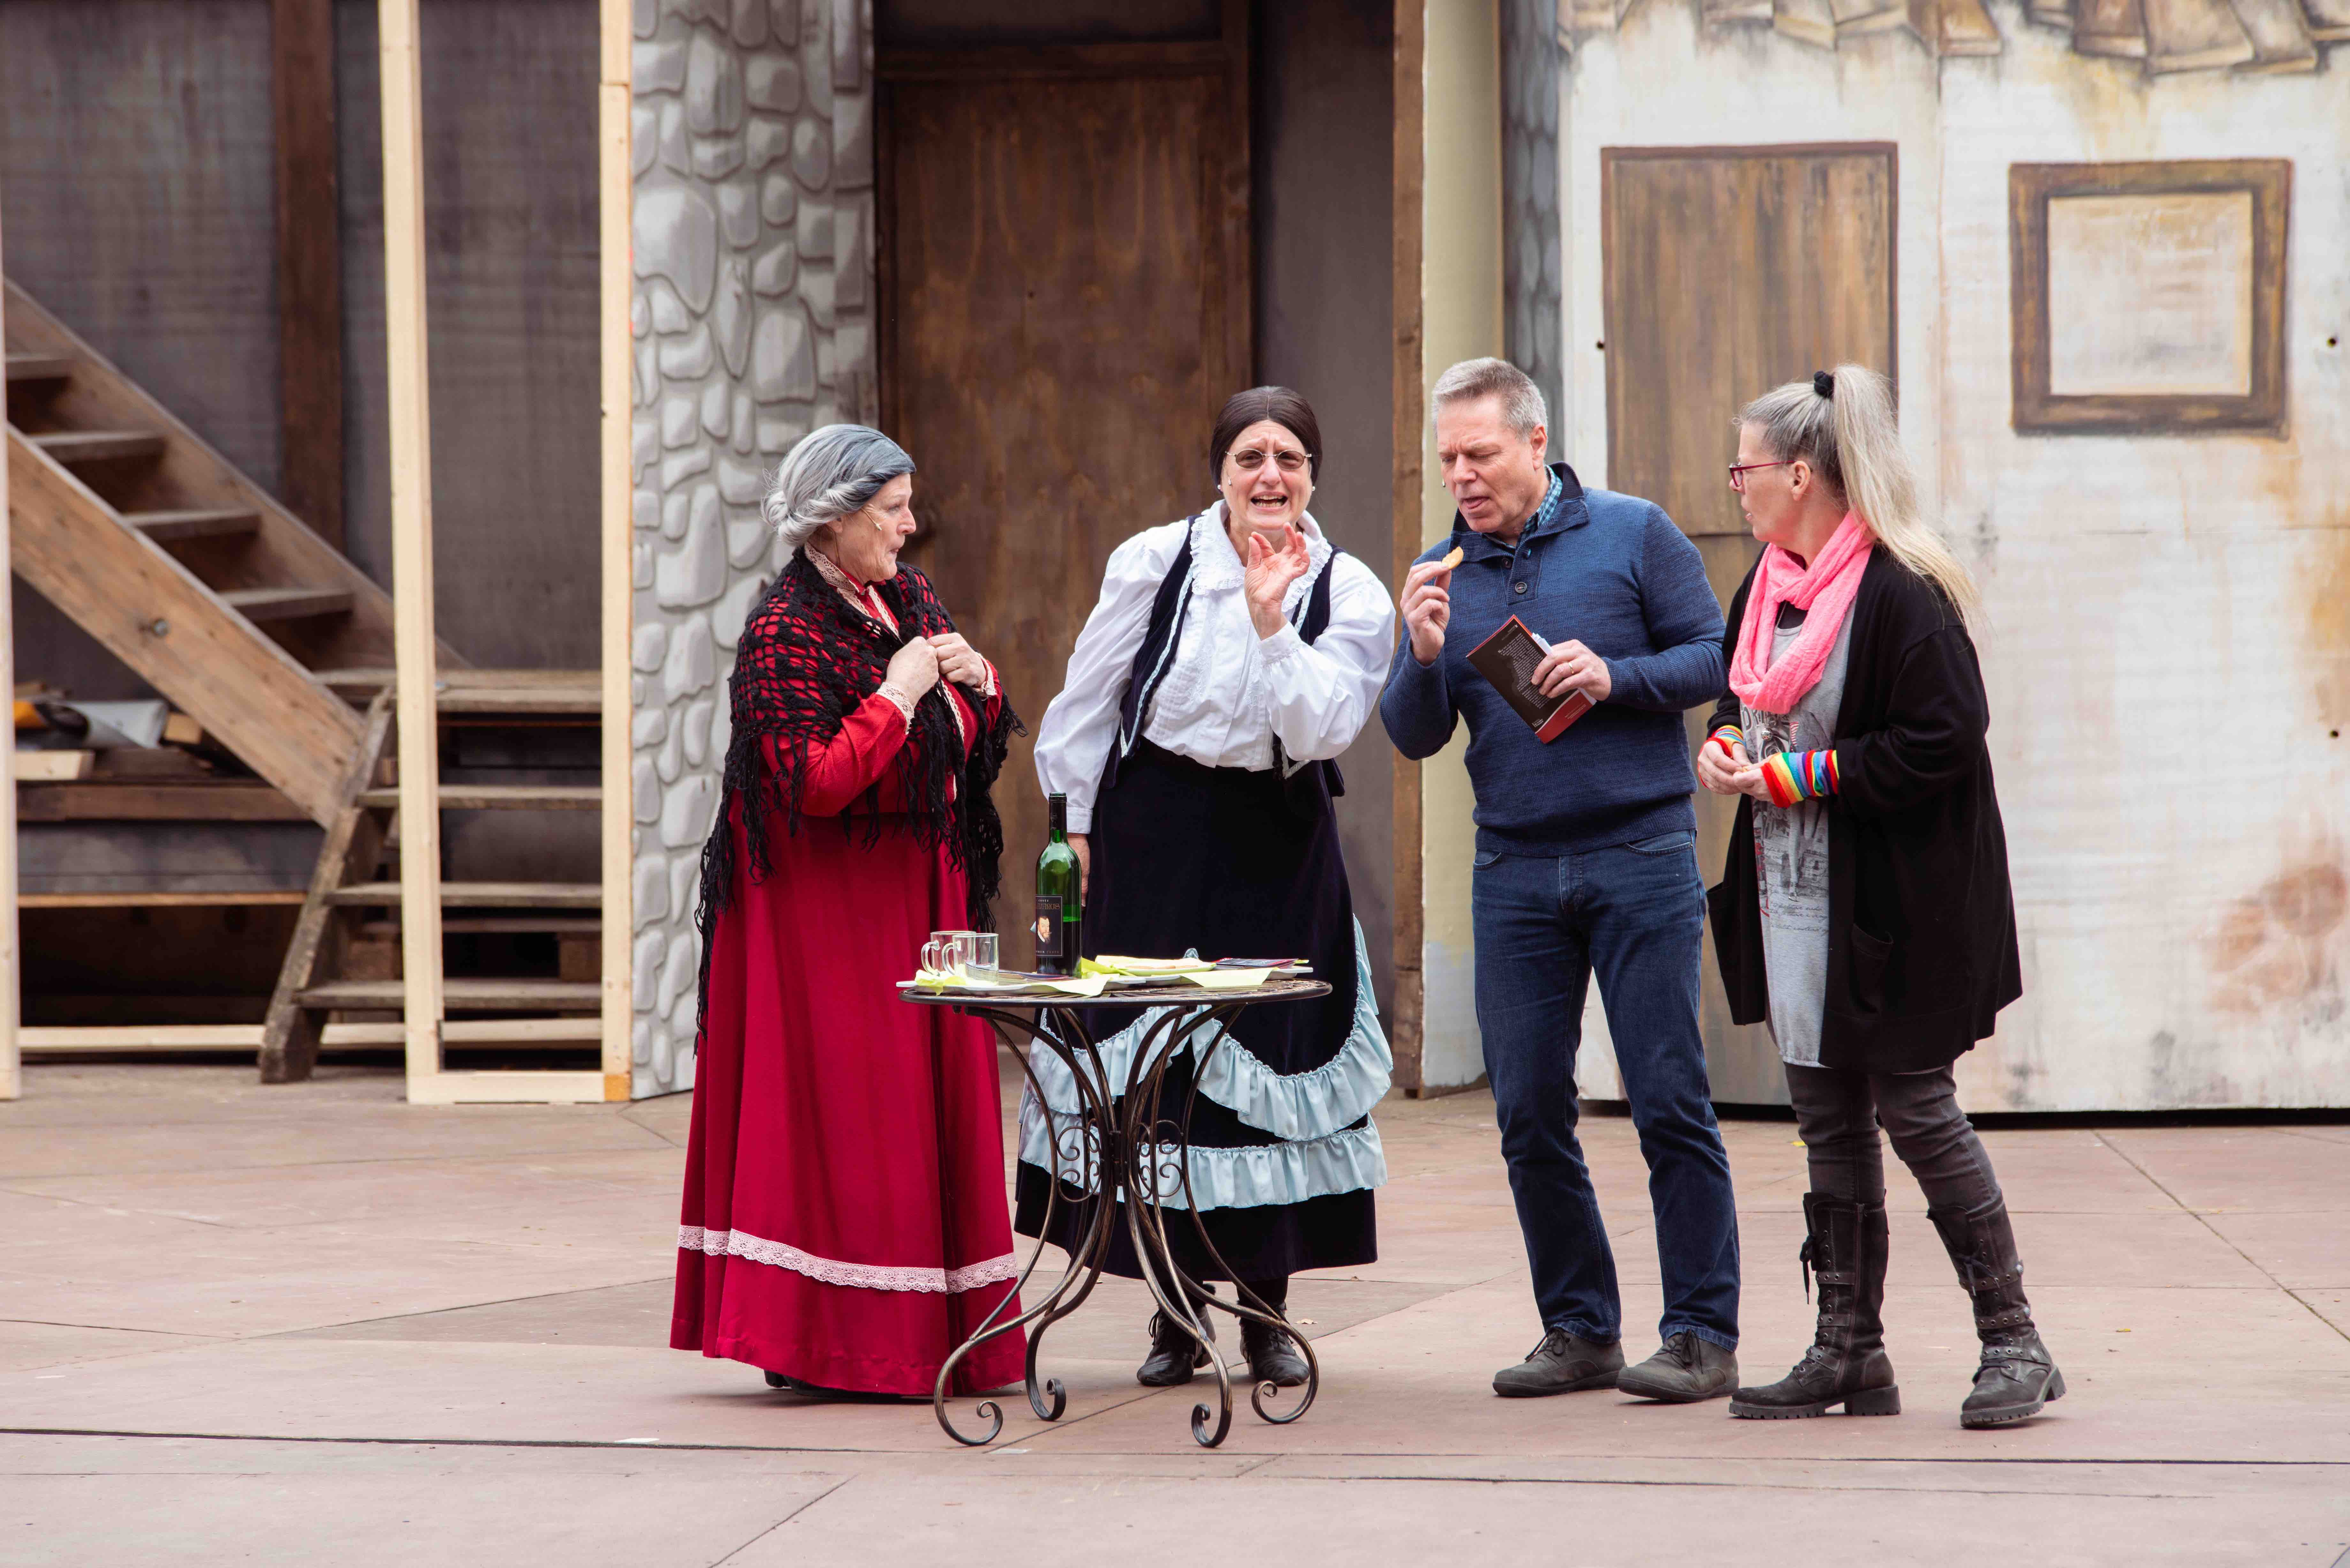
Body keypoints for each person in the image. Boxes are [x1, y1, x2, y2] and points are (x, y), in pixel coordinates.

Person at [1701, 366, 2059, 1428]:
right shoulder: (1767, 587)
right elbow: (1739, 700)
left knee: (1916, 1108)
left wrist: (1802, 776)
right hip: (1797, 903)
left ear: (1801, 475)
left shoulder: (1904, 591)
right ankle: (1849, 1350)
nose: (1736, 487)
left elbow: (1945, 737)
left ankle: (2016, 1341)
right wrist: (1725, 747)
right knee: (1826, 1118)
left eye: (1746, 470)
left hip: (1896, 910)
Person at [1380, 357, 1741, 1404]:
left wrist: (1615, 677)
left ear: (1536, 443)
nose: (1462, 476)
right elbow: (1413, 736)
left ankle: (1701, 1336)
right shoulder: (1441, 570)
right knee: (1529, 1109)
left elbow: (1715, 658)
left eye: (1481, 454)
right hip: (1514, 866)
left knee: (1668, 1099)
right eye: (1449, 459)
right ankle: (1581, 1329)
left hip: (1641, 854)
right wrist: (1421, 652)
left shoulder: (1634, 533)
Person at [1026, 386, 1396, 1391]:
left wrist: (1274, 626)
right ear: (1220, 473)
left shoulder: (1350, 589)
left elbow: (1324, 730)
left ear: (1313, 476)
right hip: (1151, 830)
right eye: (1249, 459)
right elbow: (1087, 701)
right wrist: (1076, 826)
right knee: (1157, 1073)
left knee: (1267, 1061)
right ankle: (1175, 1310)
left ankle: (1265, 1313)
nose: (1269, 477)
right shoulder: (1155, 563)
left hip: (1276, 836)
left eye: (1289, 459)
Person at [672, 424, 1027, 1399]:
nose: (910, 526)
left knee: (918, 1114)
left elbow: (971, 738)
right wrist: (900, 695)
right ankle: (828, 1343)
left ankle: (938, 1332)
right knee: (849, 1115)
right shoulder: (784, 629)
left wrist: (979, 682)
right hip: (827, 924)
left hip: (915, 901)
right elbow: (814, 781)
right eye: (891, 510)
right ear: (834, 519)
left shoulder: (905, 596)